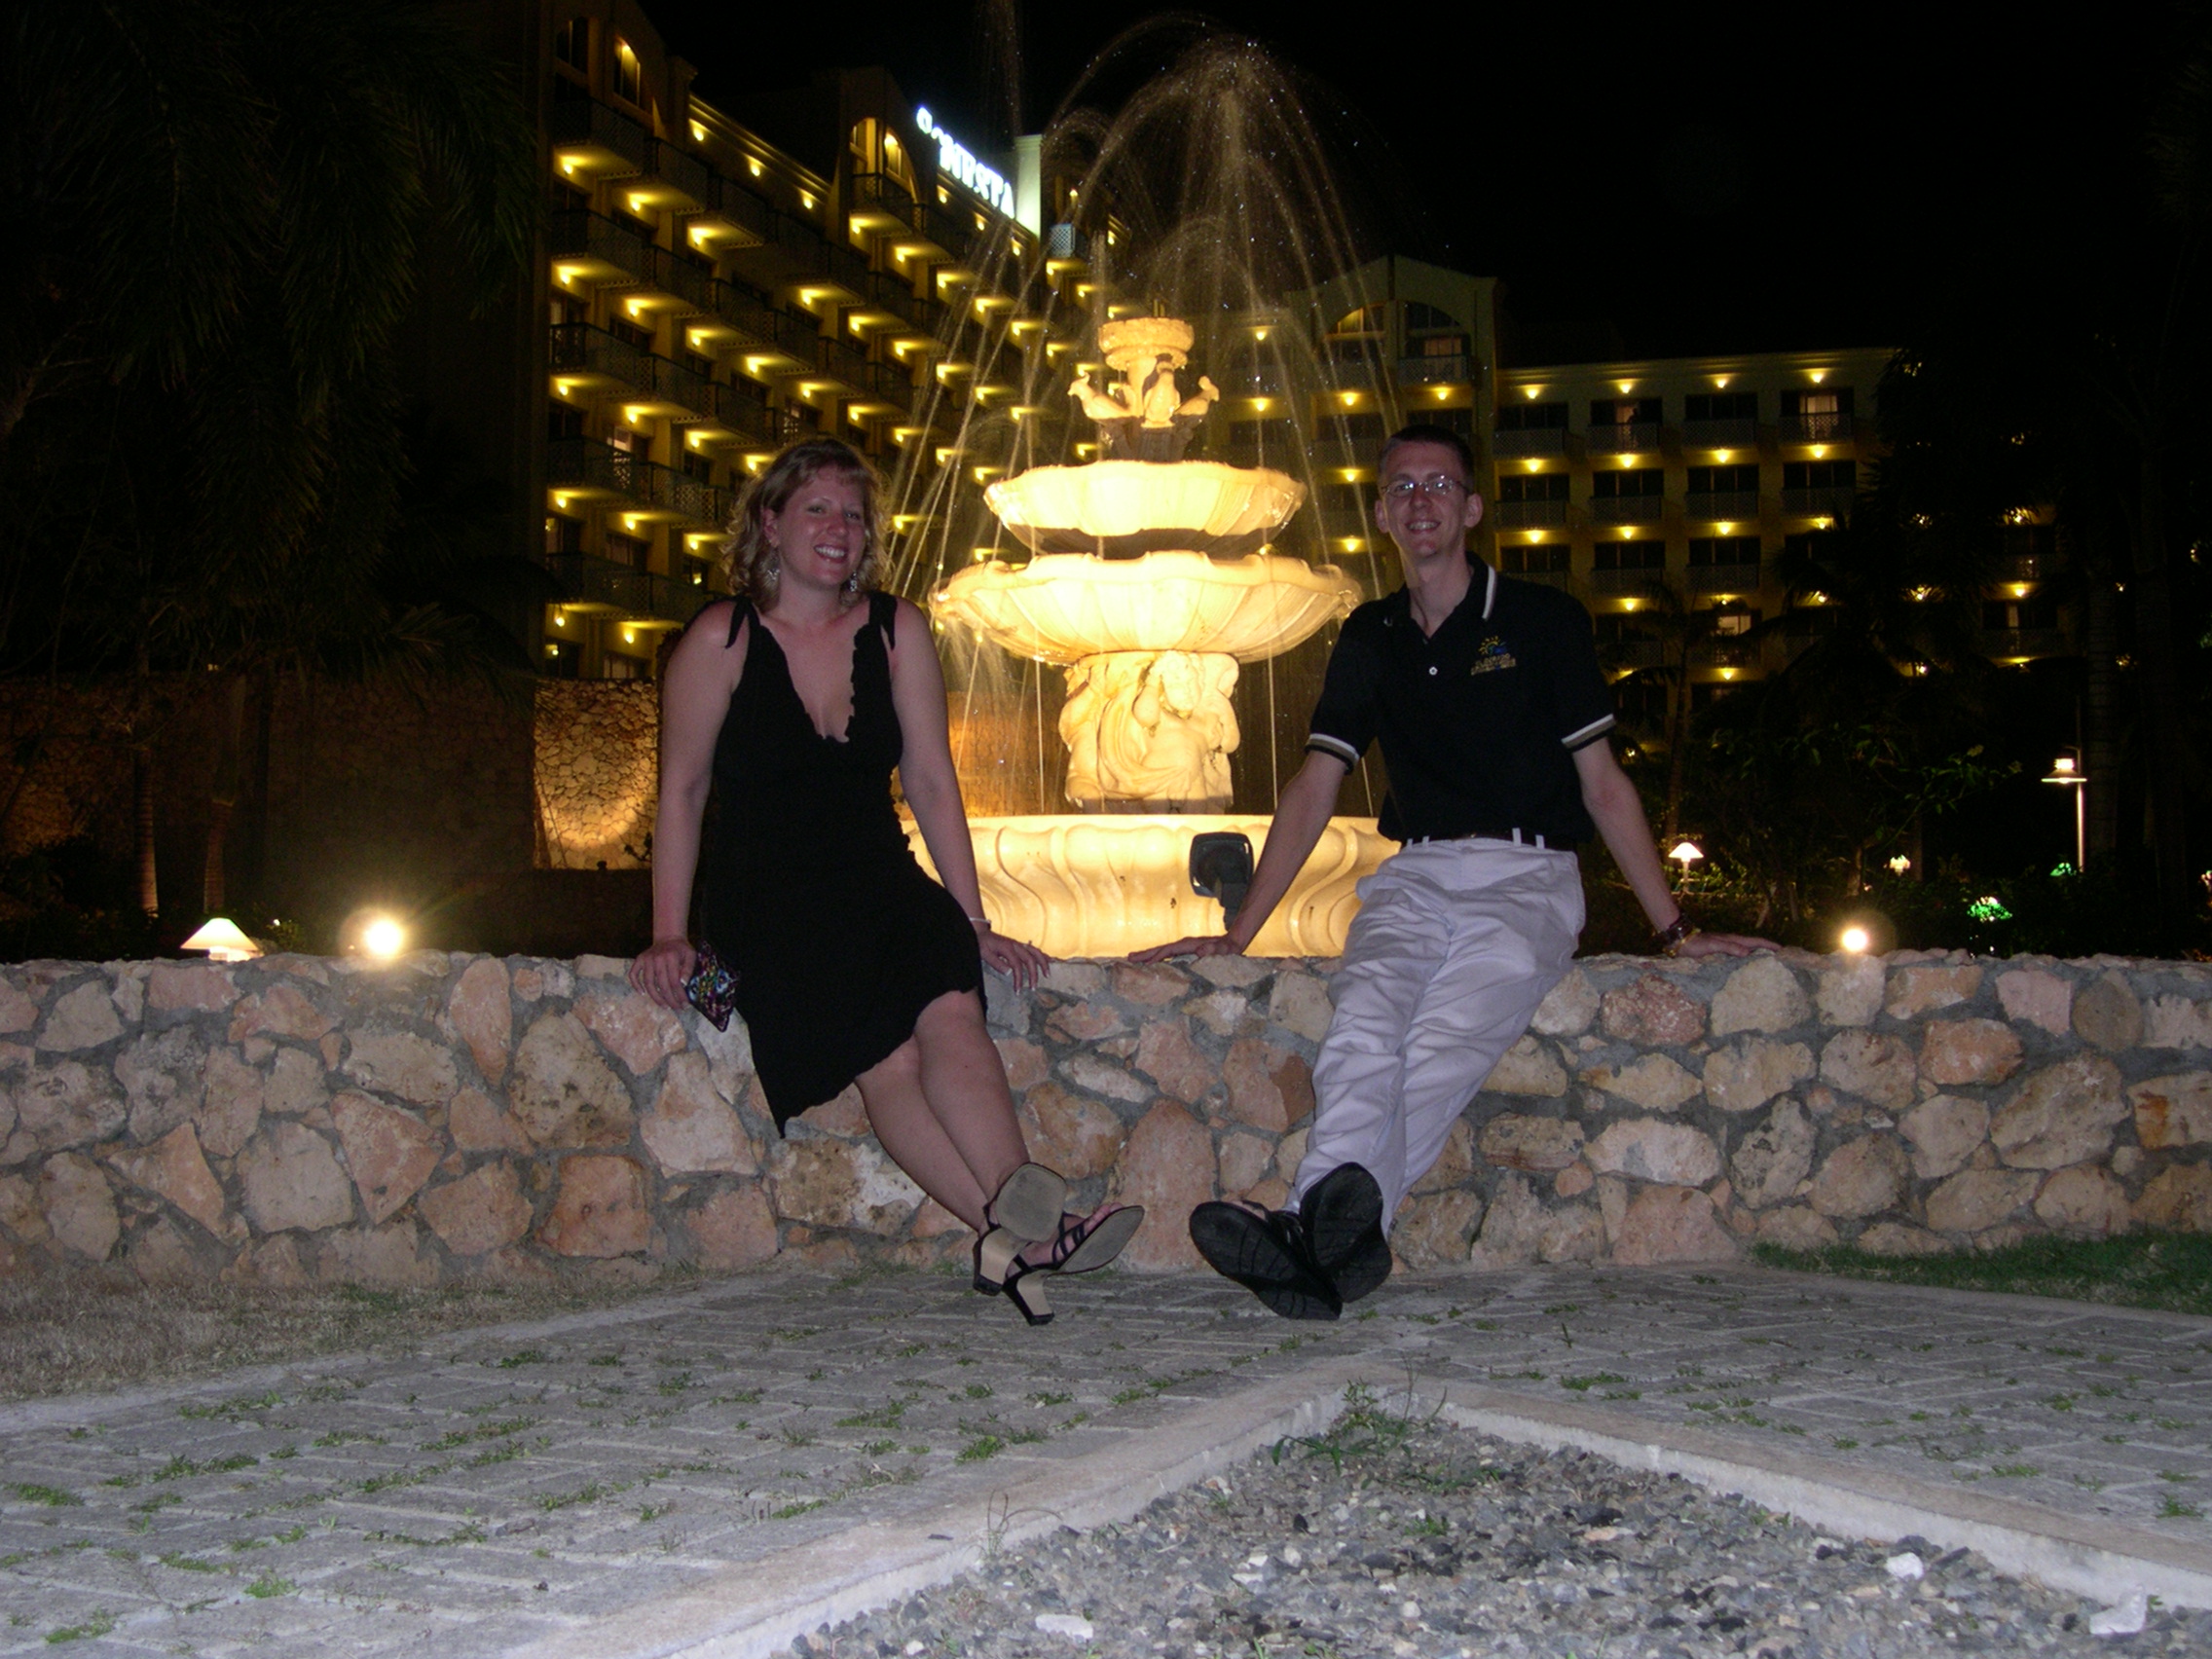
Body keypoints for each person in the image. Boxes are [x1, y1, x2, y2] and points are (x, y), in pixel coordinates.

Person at [1135, 424, 1770, 1320]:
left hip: (1527, 875)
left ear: (1470, 507)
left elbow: (1603, 784)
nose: (1421, 500)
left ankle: (1303, 1226)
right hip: (1415, 875)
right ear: (1383, 515)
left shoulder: (1543, 621)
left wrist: (1675, 929)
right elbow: (1316, 784)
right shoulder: (1371, 634)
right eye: (1403, 487)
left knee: (1437, 1049)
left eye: (1440, 484)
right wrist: (1240, 930)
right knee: (1363, 1031)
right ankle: (1326, 1248)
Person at [629, 437, 1141, 1324]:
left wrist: (974, 918)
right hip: (769, 902)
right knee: (885, 1059)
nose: (839, 528)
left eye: (853, 514)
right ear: (770, 523)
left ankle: (1014, 1239)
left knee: (949, 1000)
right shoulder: (721, 637)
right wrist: (671, 932)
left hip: (881, 880)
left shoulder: (899, 630)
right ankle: (1038, 1231)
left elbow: (934, 782)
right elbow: (680, 790)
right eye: (818, 509)